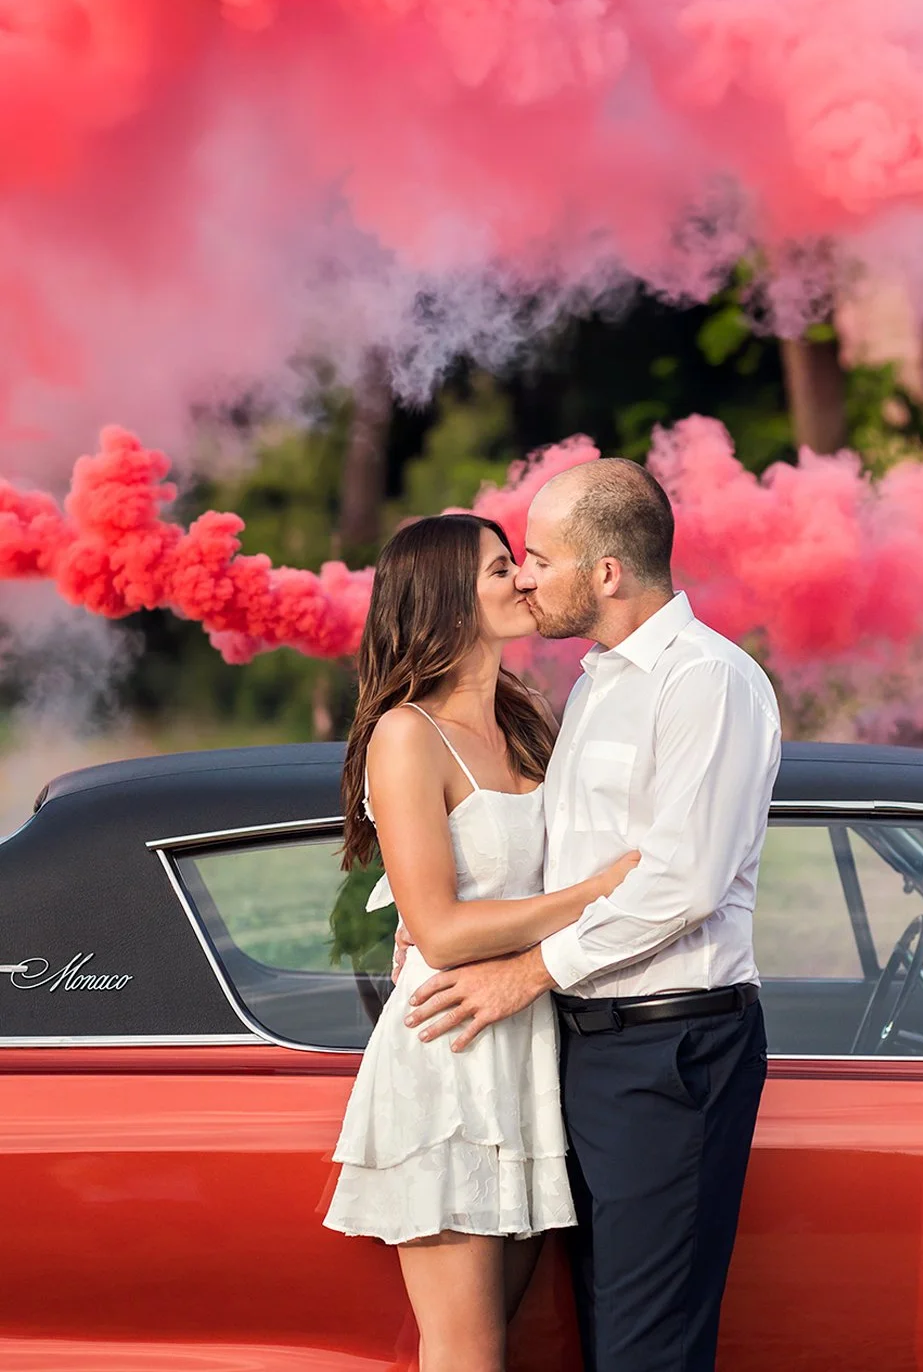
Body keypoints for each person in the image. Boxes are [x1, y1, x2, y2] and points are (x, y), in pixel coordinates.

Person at [403, 459, 782, 1372]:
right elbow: (565, 860)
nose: (524, 575)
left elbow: (683, 883)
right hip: (577, 1047)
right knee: (604, 1337)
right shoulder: (597, 681)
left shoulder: (706, 682)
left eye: (537, 557)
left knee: (645, 1349)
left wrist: (527, 970)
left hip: (669, 1049)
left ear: (605, 572)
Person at [323, 512, 640, 1372]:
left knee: (487, 1342)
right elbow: (439, 929)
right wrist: (594, 895)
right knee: (468, 1354)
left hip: (530, 1047)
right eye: (503, 569)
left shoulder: (530, 718)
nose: (525, 581)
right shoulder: (406, 735)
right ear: (446, 600)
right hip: (450, 1053)